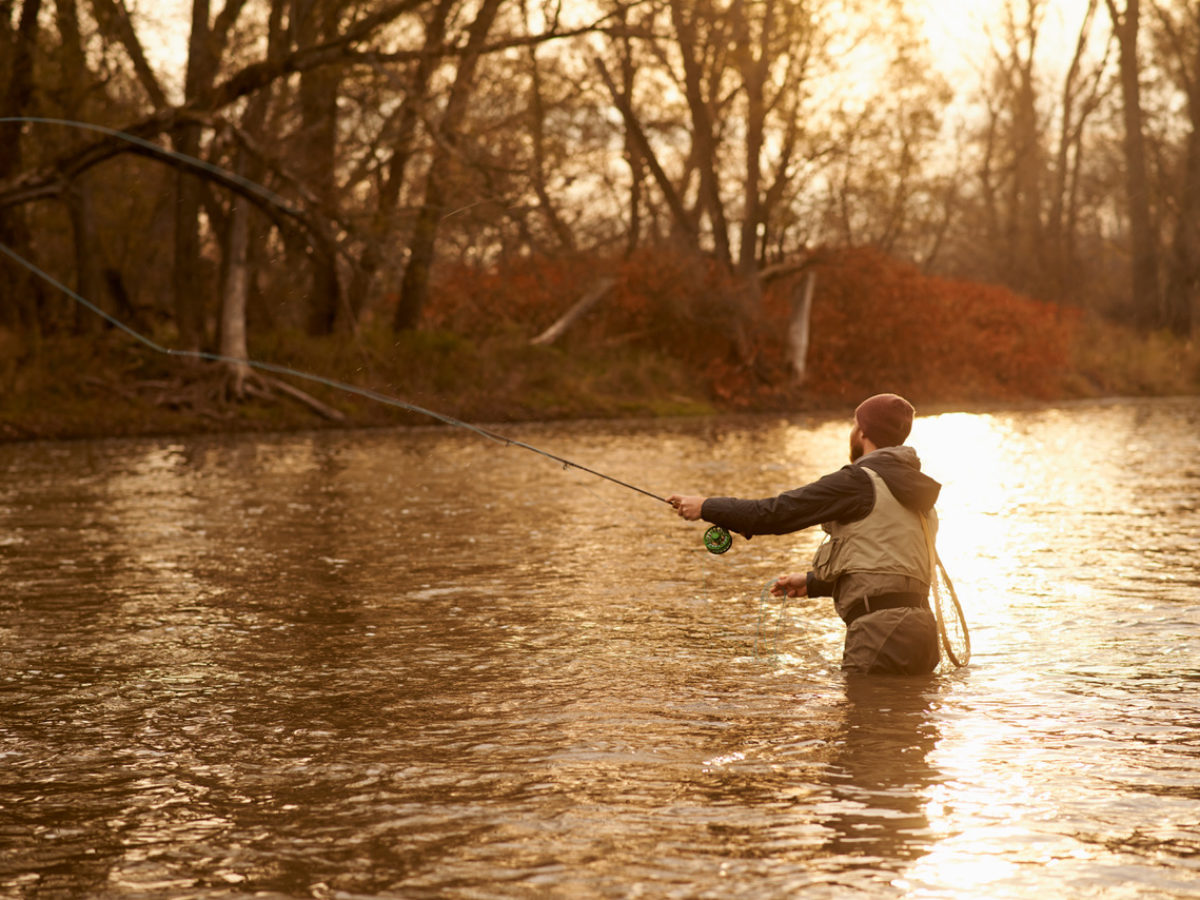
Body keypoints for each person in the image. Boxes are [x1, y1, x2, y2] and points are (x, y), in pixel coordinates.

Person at [669, 393, 942, 676]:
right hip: (922, 632)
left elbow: (776, 513)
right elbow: (891, 570)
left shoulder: (856, 482)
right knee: (908, 716)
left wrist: (707, 506)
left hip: (879, 634)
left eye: (854, 424)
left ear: (862, 432)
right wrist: (813, 584)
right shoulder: (916, 493)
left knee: (864, 717)